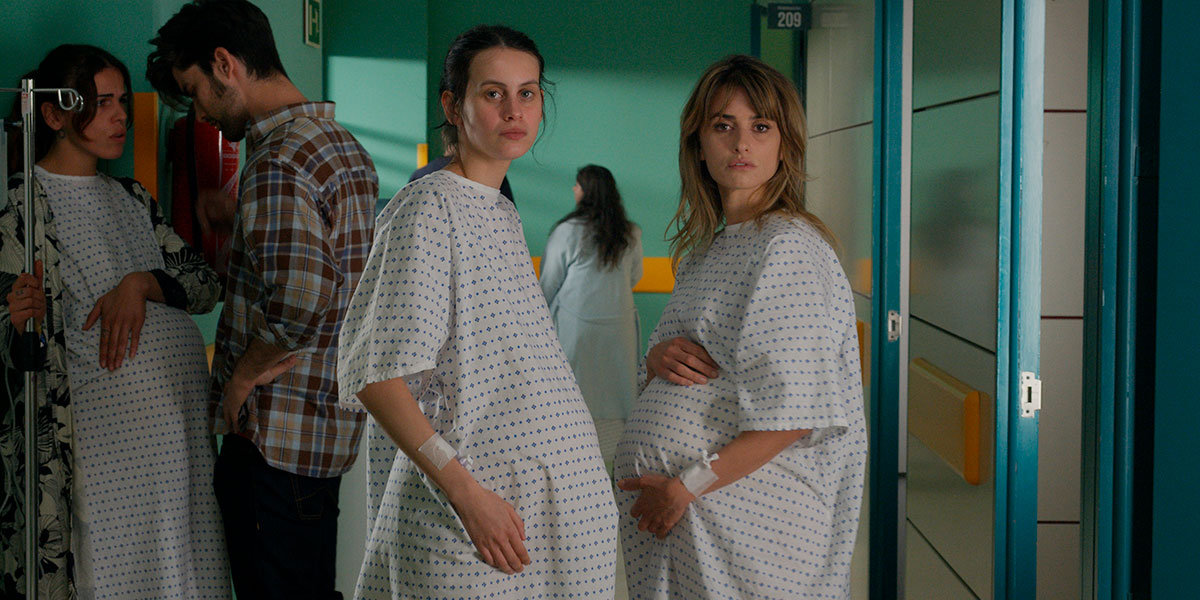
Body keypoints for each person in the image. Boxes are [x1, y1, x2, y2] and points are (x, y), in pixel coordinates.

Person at [337, 25, 618, 599]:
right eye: (493, 93)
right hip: (468, 522)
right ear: (453, 104)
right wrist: (467, 496)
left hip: (539, 516)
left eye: (529, 93)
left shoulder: (498, 210)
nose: (514, 110)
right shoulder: (427, 209)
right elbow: (378, 377)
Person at [146, 1, 379, 598]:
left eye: (194, 90)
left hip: (272, 438)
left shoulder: (276, 158)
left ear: (225, 64)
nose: (198, 111)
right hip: (319, 430)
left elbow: (304, 294)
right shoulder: (339, 143)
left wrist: (240, 381)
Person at [614, 54, 867, 599]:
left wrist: (685, 487)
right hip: (699, 525)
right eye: (722, 126)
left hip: (752, 531)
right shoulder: (710, 251)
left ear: (785, 145)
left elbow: (792, 416)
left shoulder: (788, 249)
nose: (741, 144)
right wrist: (657, 358)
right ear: (698, 143)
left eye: (760, 127)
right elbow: (697, 359)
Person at [0, 44, 227, 598]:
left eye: (122, 101)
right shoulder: (21, 205)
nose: (121, 115)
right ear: (53, 114)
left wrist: (141, 284)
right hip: (103, 447)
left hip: (180, 441)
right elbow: (19, 340)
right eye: (102, 103)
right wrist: (12, 317)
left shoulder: (132, 198)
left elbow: (203, 284)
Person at [539, 164, 642, 465]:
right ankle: (613, 465)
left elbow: (549, 282)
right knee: (618, 395)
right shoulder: (631, 232)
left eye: (577, 185)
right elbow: (635, 276)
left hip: (573, 326)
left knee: (573, 393)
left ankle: (575, 462)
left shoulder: (568, 231)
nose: (574, 190)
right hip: (619, 326)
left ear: (586, 191)